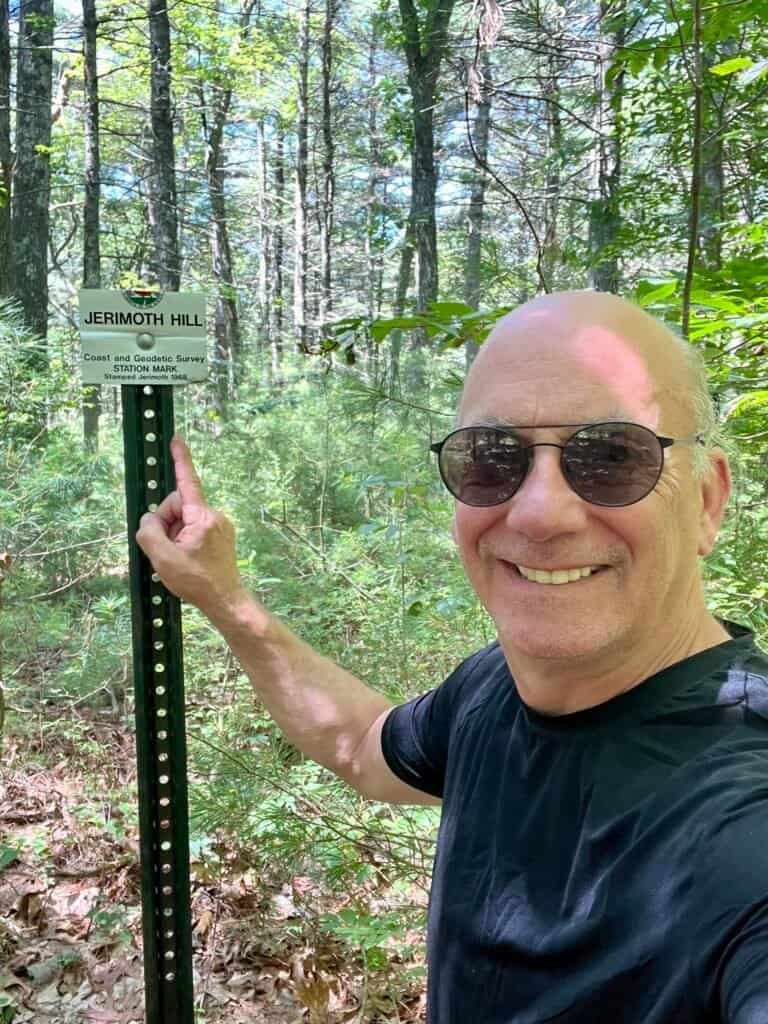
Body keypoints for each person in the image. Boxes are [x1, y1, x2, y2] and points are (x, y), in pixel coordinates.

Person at [137, 290, 768, 1023]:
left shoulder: (742, 809)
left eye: (611, 457)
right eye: (491, 459)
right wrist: (225, 598)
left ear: (707, 501)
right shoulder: (491, 690)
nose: (538, 512)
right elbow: (361, 744)